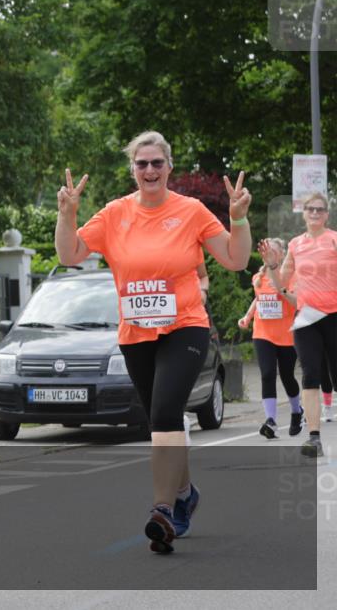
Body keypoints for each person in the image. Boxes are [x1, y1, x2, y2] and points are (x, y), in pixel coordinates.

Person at [55, 131, 251, 554]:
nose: (149, 170)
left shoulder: (192, 211)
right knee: (161, 422)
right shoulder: (113, 214)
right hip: (136, 333)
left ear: (169, 167)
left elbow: (236, 259)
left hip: (185, 327)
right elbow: (69, 255)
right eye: (141, 164)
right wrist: (67, 215)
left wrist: (238, 217)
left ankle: (162, 509)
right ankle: (185, 494)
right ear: (132, 170)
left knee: (165, 413)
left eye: (156, 163)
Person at [260, 191, 337, 457]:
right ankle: (314, 437)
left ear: (326, 214)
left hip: (334, 315)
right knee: (310, 374)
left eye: (319, 209)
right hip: (306, 318)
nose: (315, 213)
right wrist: (271, 266)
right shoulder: (295, 245)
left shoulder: (334, 240)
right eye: (310, 209)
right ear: (303, 214)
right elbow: (281, 285)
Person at [238, 238, 302, 438]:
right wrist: (247, 317)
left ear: (281, 255)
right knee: (267, 374)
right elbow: (258, 299)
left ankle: (296, 410)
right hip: (262, 333)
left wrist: (282, 291)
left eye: (273, 252)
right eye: (267, 252)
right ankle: (271, 420)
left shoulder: (291, 277)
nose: (269, 255)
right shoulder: (258, 277)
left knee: (287, 376)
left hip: (286, 335)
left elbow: (296, 303)